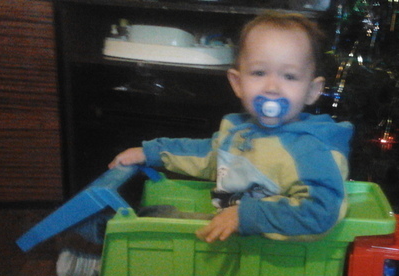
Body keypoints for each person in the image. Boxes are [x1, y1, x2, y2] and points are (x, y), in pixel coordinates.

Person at [109, 12, 353, 243]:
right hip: (235, 241)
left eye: (289, 76)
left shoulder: (310, 149)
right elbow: (208, 155)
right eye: (259, 73)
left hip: (275, 258)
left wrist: (246, 215)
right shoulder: (238, 130)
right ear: (237, 83)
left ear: (311, 90)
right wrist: (151, 152)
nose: (272, 87)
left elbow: (321, 212)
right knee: (153, 215)